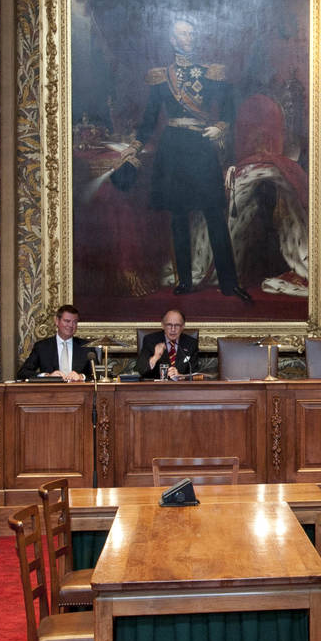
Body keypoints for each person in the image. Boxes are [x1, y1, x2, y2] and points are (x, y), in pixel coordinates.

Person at [136, 19, 251, 304]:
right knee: (178, 216)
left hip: (201, 147)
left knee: (214, 214)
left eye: (191, 33)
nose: (189, 38)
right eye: (183, 34)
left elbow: (229, 110)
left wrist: (220, 127)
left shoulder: (212, 74)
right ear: (173, 40)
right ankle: (185, 281)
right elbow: (150, 118)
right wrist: (134, 146)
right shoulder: (161, 78)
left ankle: (229, 283)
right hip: (173, 150)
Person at [18, 304, 96, 381]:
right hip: (51, 389)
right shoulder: (42, 347)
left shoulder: (87, 347)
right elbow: (23, 373)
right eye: (67, 321)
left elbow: (98, 374)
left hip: (78, 389)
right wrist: (47, 376)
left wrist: (82, 377)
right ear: (57, 321)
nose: (71, 325)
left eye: (75, 322)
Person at [136, 309, 201, 379]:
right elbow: (141, 370)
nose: (173, 329)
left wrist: (181, 376)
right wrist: (155, 357)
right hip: (156, 385)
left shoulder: (191, 343)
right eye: (169, 325)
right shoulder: (150, 340)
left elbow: (196, 375)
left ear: (183, 326)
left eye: (177, 325)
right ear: (163, 325)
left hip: (181, 385)